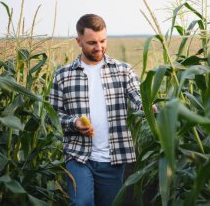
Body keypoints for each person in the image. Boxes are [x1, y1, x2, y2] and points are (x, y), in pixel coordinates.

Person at [49, 13, 156, 206]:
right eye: (92, 43)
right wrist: (74, 123)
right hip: (78, 154)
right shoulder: (63, 75)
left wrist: (148, 107)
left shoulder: (123, 70)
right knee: (82, 202)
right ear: (79, 41)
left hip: (113, 157)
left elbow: (137, 98)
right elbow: (53, 115)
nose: (99, 47)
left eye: (102, 41)